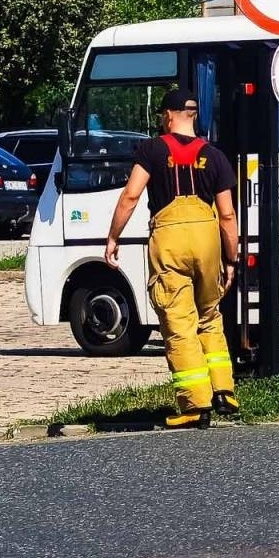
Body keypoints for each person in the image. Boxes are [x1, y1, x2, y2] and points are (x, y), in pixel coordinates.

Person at [103, 87, 240, 429]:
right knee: (209, 314)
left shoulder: (152, 149)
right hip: (208, 239)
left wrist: (113, 237)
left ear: (168, 115)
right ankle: (223, 389)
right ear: (193, 115)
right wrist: (231, 259)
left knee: (179, 321)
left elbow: (131, 195)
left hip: (170, 239)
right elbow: (227, 215)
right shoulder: (215, 155)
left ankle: (196, 403)